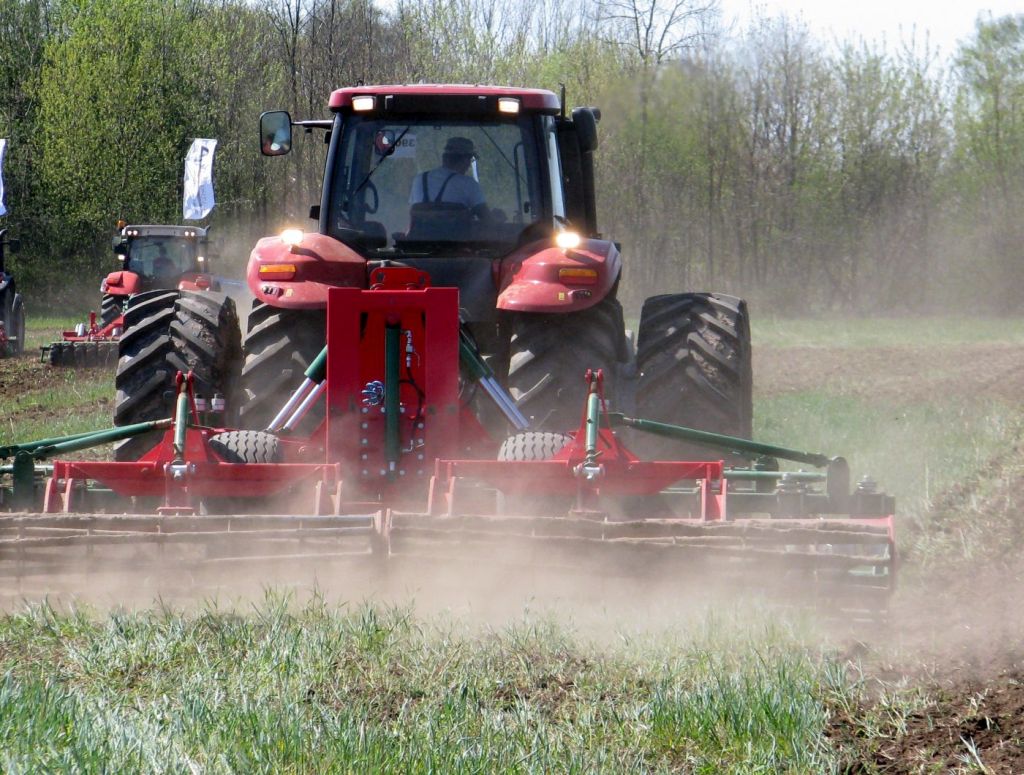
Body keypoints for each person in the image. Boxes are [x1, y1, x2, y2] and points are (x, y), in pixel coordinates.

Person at [409, 136, 493, 223]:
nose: (469, 165)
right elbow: (487, 219)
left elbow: (412, 219)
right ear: (465, 160)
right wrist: (498, 217)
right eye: (470, 160)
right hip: (458, 236)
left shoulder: (419, 180)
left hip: (419, 236)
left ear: (444, 158)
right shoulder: (469, 184)